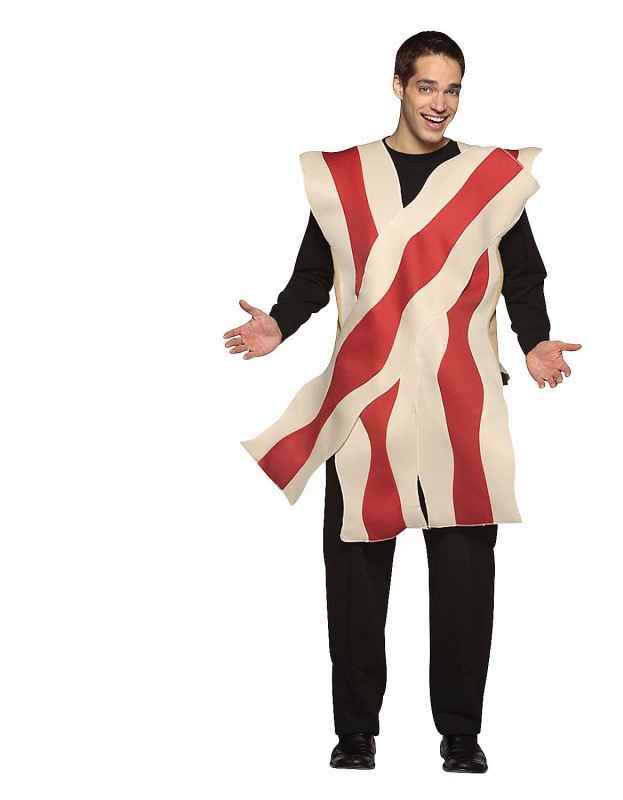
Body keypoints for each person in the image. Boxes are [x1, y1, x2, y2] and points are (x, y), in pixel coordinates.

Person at [223, 31, 581, 773]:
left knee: (464, 578)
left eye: (452, 89)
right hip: (365, 403)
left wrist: (536, 341)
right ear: (398, 86)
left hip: (462, 398)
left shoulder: (489, 179)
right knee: (356, 573)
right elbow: (314, 273)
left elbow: (523, 273)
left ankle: (461, 733)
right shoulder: (347, 177)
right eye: (426, 87)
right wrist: (278, 325)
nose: (440, 103)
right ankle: (356, 732)